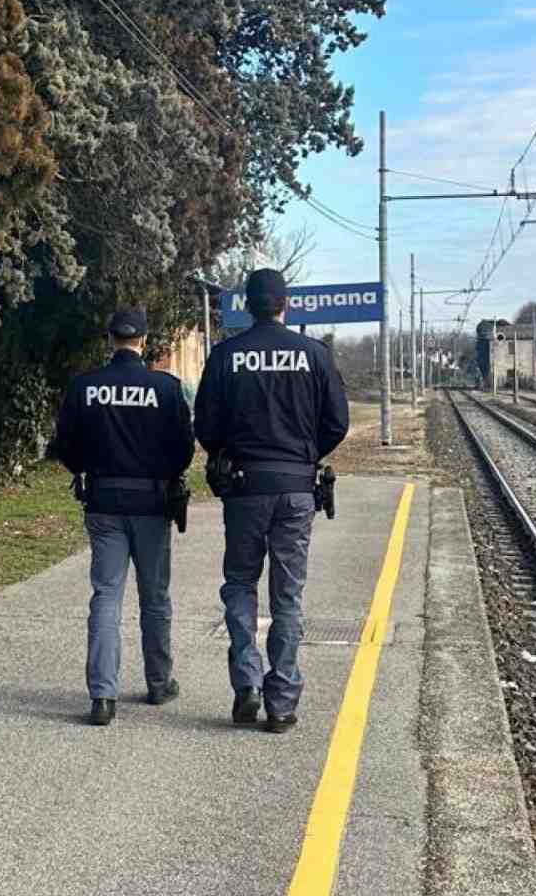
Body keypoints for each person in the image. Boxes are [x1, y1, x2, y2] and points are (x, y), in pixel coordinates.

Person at [193, 269, 349, 732]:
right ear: (286, 305)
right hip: (297, 487)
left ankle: (246, 683)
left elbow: (205, 424)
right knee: (288, 595)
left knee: (240, 583)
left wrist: (227, 452)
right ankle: (281, 701)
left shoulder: (225, 356)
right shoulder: (315, 355)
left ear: (248, 307)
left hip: (243, 487)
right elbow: (336, 422)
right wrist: (305, 454)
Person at [51, 308, 196, 726]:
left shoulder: (85, 387)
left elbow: (66, 445)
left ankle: (102, 696)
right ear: (144, 342)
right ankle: (159, 682)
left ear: (109, 339)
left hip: (103, 502)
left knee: (106, 595)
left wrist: (88, 468)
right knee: (155, 598)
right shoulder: (166, 389)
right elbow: (184, 448)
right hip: (152, 504)